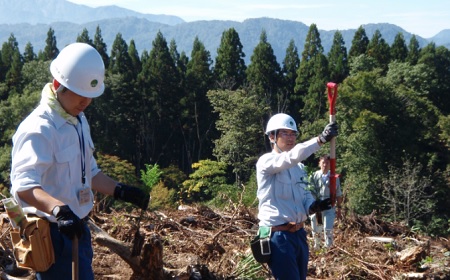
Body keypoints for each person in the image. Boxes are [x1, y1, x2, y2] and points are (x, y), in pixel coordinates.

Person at [10, 42, 149, 280]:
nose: (85, 102)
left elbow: (90, 172)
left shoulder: (78, 120)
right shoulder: (39, 128)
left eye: (90, 96)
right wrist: (59, 210)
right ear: (58, 85)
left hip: (77, 230)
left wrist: (121, 191)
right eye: (80, 95)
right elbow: (24, 186)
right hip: (52, 235)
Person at [256, 113, 338, 280]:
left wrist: (312, 206)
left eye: (293, 134)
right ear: (272, 136)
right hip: (278, 236)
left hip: (299, 235)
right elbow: (289, 158)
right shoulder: (266, 162)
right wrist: (319, 140)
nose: (290, 138)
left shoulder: (299, 167)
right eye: (285, 133)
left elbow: (304, 193)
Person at [309, 154, 343, 250]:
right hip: (318, 207)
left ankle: (329, 248)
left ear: (329, 164)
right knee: (317, 228)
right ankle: (317, 247)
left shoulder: (334, 177)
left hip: (329, 206)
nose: (325, 164)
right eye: (323, 162)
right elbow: (309, 192)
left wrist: (339, 208)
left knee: (328, 228)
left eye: (327, 163)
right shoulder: (314, 176)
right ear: (319, 163)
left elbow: (338, 193)